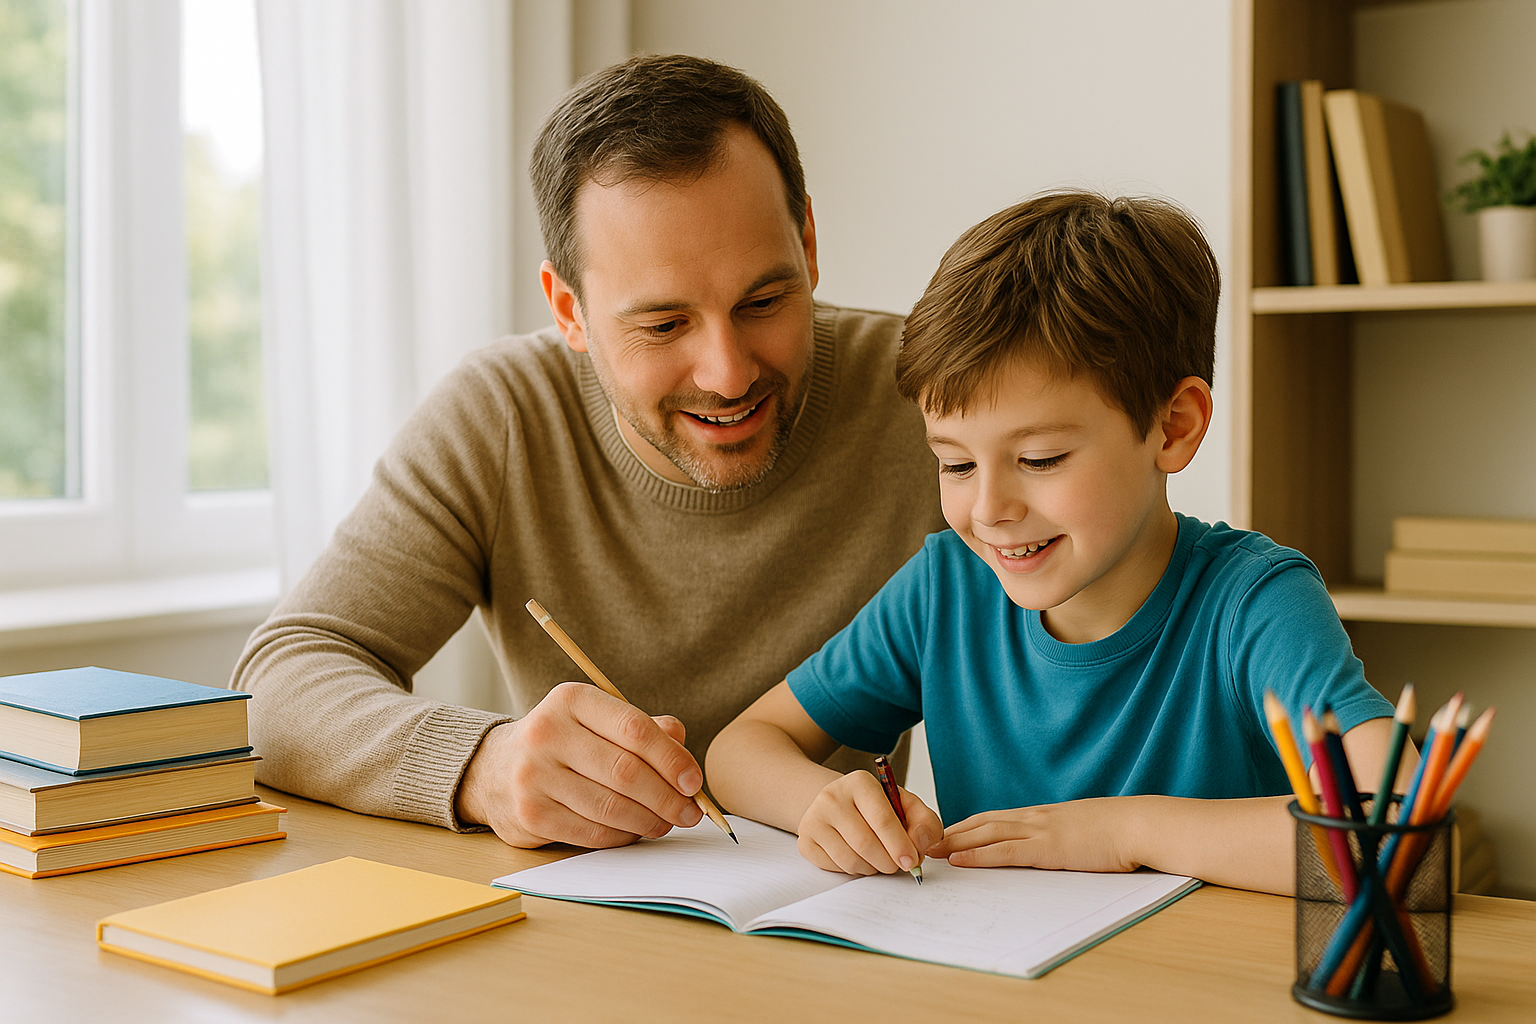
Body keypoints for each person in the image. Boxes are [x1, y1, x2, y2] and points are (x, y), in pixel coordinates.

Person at [231, 54, 945, 850]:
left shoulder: (931, 397)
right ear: (569, 309)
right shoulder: (502, 414)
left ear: (808, 243)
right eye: (663, 325)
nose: (729, 371)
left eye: (764, 301)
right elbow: (276, 681)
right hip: (571, 929)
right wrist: (486, 766)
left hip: (847, 919)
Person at [705, 191, 1410, 895]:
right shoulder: (945, 590)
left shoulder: (1254, 604)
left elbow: (1401, 830)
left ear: (1174, 427)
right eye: (955, 463)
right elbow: (739, 750)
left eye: (1039, 459)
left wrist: (1124, 833)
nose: (988, 510)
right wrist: (819, 803)